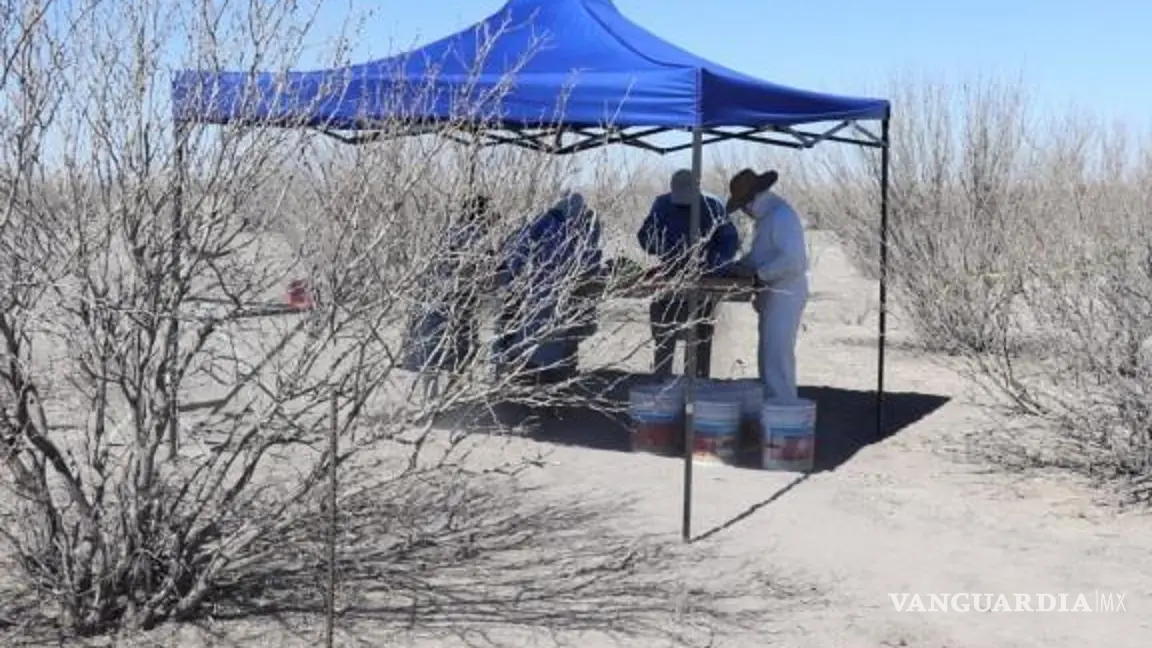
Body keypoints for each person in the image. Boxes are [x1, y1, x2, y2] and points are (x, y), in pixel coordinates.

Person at [637, 169, 740, 379]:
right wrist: (664, 247)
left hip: (704, 281)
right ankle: (662, 383)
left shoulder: (713, 206)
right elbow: (646, 239)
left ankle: (697, 384)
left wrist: (713, 264)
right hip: (669, 280)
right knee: (664, 335)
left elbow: (729, 241)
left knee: (699, 338)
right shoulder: (662, 204)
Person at [493, 191, 603, 383]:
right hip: (549, 292)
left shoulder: (549, 222)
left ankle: (536, 380)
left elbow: (517, 252)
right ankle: (547, 381)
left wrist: (509, 278)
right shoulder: (563, 225)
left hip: (545, 291)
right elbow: (590, 260)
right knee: (553, 340)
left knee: (546, 339)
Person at [725, 168, 809, 402]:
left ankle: (783, 409)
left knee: (777, 358)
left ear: (752, 200)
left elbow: (794, 260)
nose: (744, 211)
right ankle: (775, 408)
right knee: (769, 357)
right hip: (774, 294)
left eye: (743, 205)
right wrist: (740, 266)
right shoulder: (769, 217)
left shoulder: (781, 216)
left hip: (785, 294)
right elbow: (762, 254)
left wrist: (760, 274)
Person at [403, 194, 498, 400]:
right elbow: (485, 274)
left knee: (435, 354)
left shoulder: (450, 232)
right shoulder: (476, 238)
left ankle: (436, 400)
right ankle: (444, 401)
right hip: (453, 304)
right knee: (455, 353)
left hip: (433, 300)